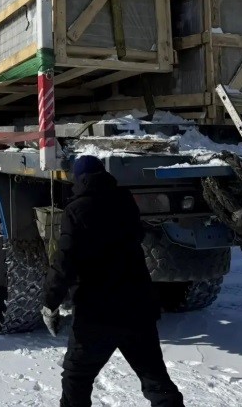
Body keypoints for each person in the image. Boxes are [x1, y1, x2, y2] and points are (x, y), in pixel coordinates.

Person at [42, 154, 184, 407]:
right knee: (155, 379)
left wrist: (50, 302)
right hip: (138, 308)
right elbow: (138, 235)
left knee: (77, 377)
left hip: (97, 313)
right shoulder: (125, 200)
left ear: (79, 179)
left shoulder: (75, 210)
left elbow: (64, 261)